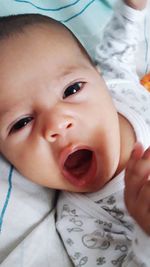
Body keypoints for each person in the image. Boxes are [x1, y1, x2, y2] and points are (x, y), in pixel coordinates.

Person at [0, 0, 149, 266]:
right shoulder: (81, 221)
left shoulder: (119, 91)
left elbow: (116, 54)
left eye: (71, 90)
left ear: (98, 77)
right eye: (21, 123)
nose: (57, 124)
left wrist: (131, 11)